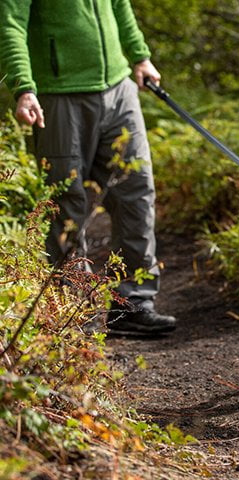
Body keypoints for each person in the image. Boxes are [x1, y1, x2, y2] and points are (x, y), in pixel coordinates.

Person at [0, 0, 176, 335]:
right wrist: (24, 87)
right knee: (65, 203)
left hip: (119, 90)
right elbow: (10, 24)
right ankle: (69, 314)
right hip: (59, 97)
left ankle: (133, 304)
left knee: (137, 192)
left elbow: (119, 5)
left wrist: (140, 56)